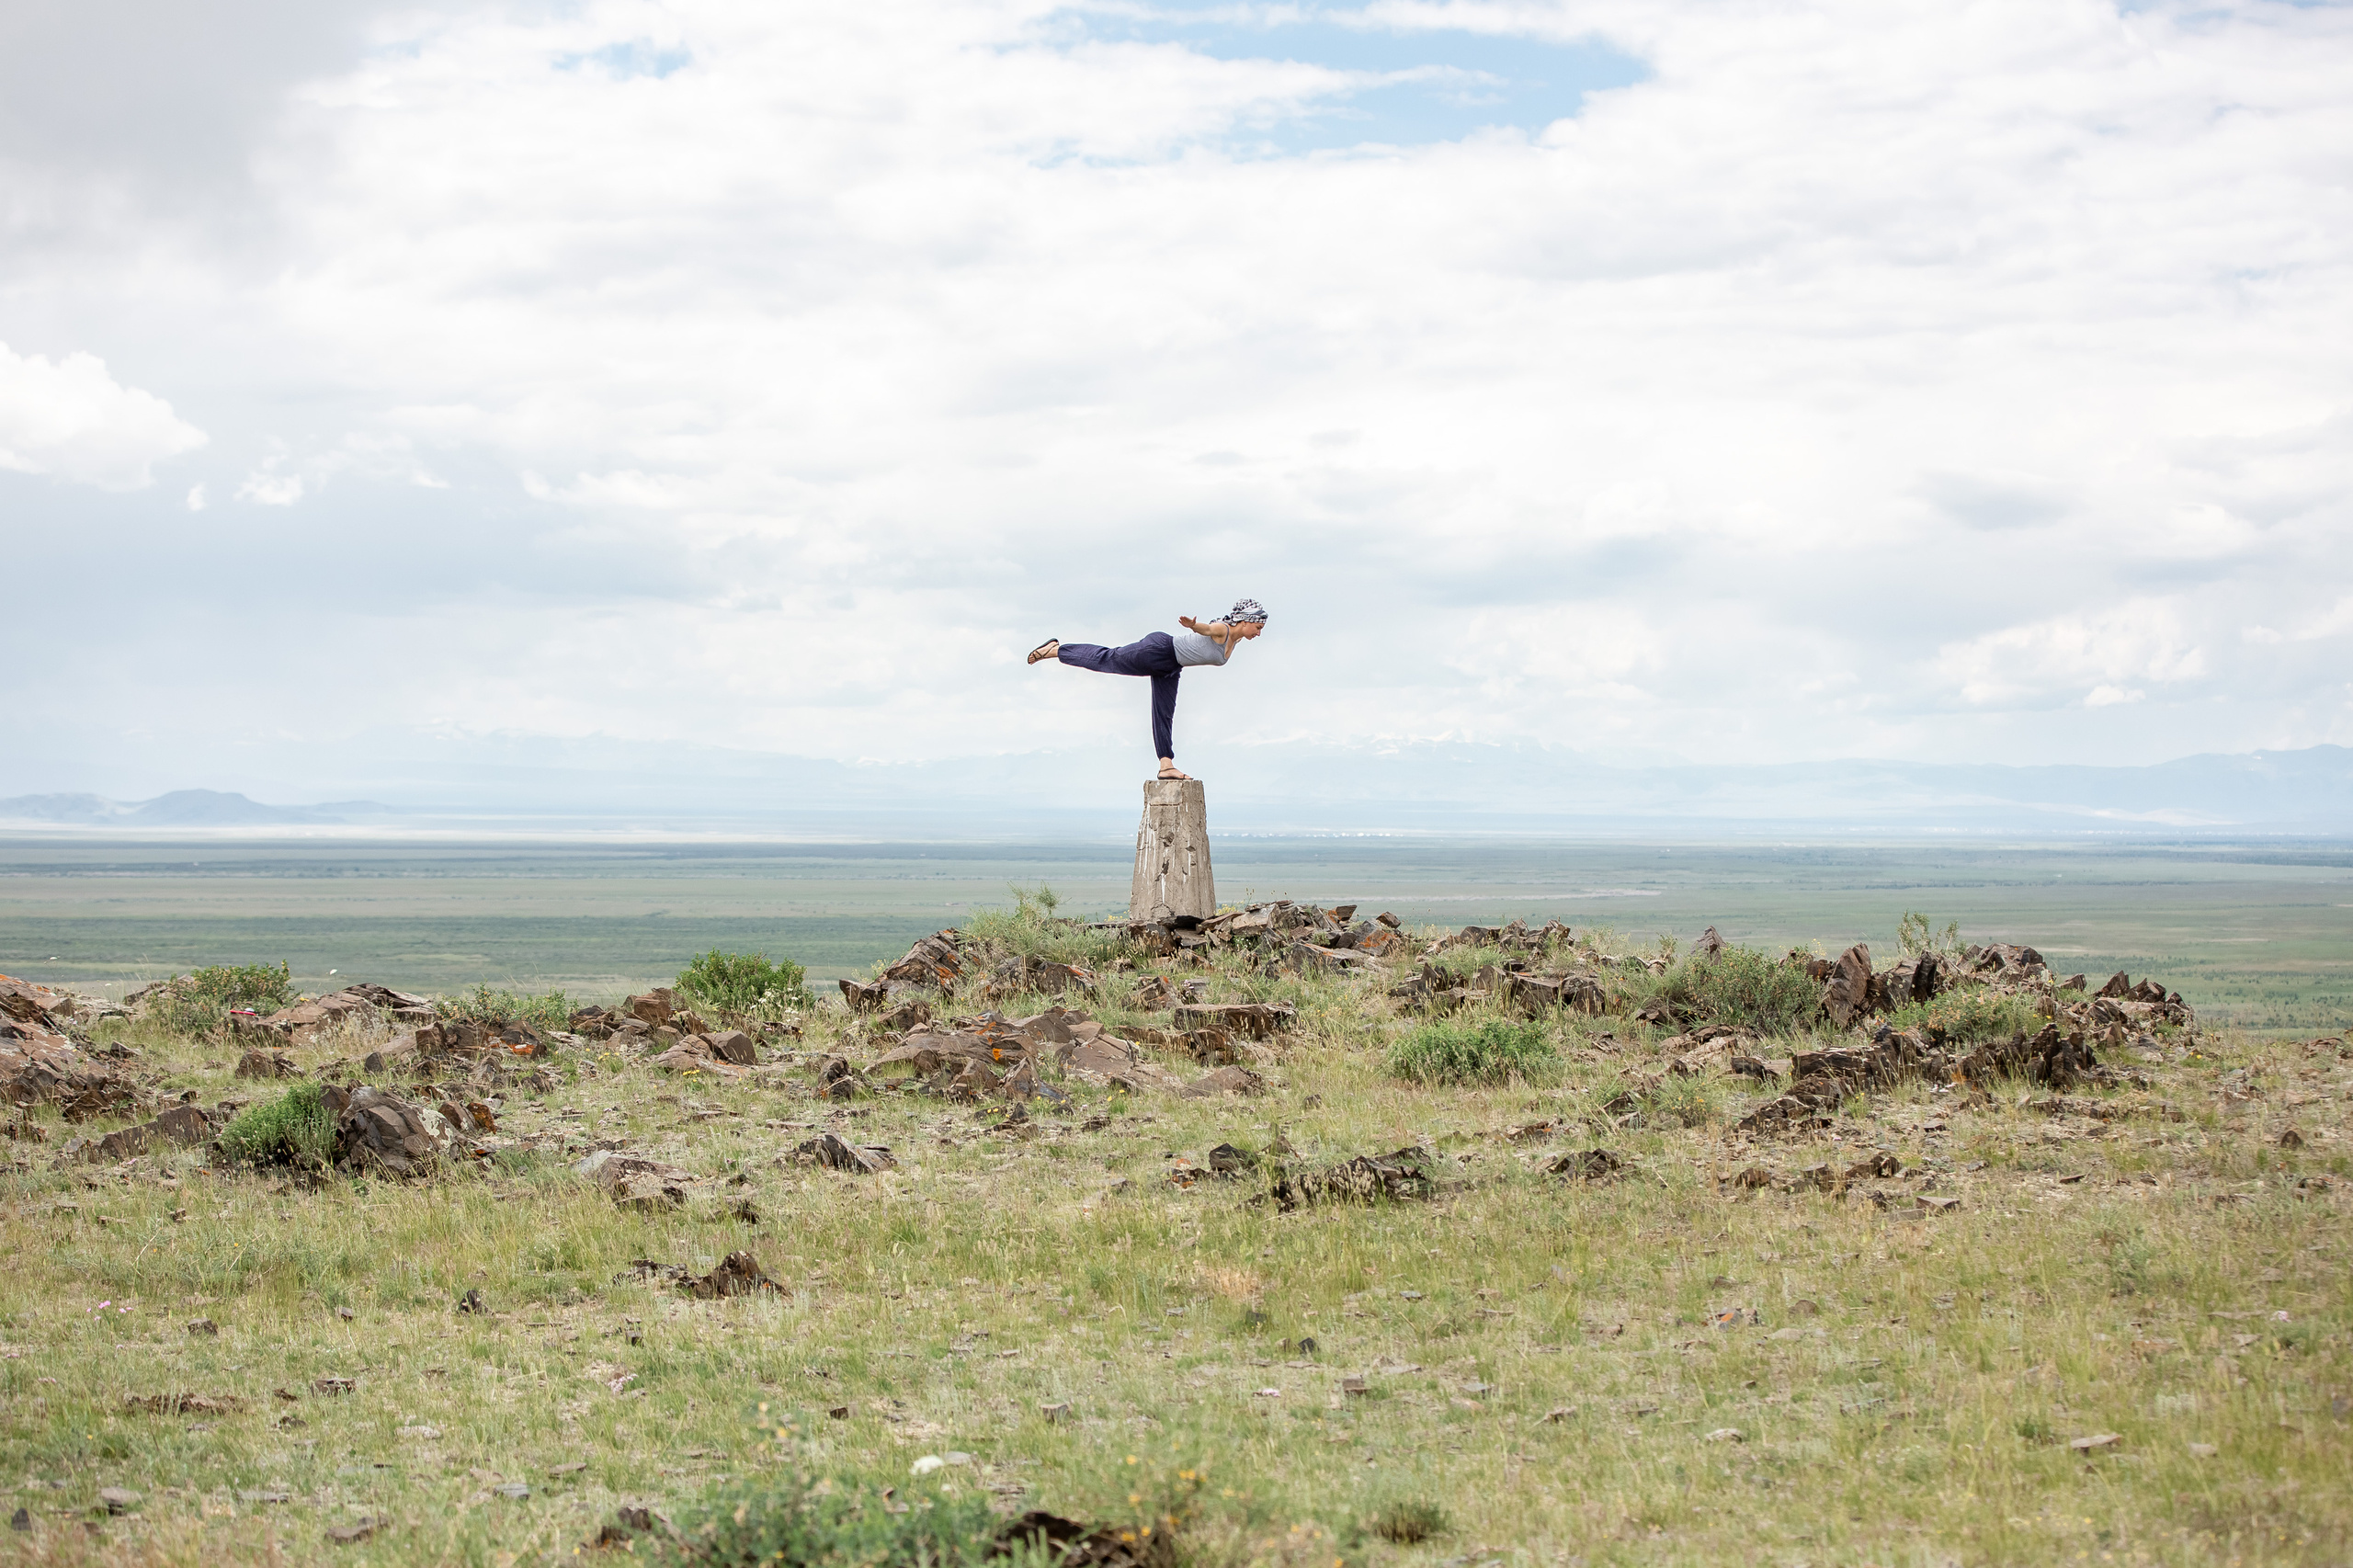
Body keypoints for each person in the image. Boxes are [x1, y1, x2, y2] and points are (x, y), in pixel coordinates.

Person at [1027, 599, 1267, 780]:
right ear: (1244, 621)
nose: (1258, 633)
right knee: (1109, 658)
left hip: (1171, 666)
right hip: (1158, 650)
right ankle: (1057, 650)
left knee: (1164, 714)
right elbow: (1208, 629)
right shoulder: (1223, 630)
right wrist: (1194, 625)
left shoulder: (1235, 639)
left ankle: (1166, 766)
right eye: (1257, 627)